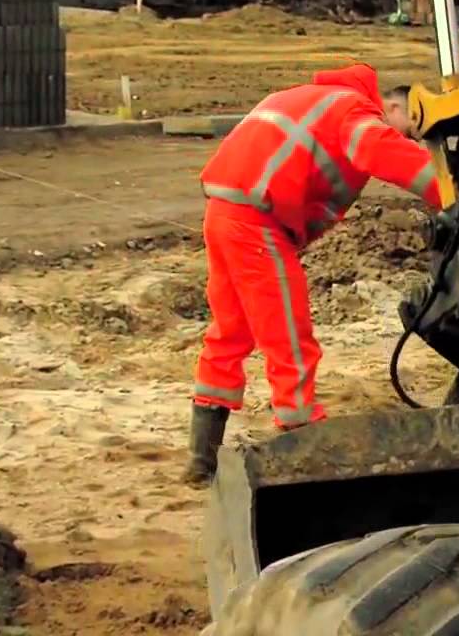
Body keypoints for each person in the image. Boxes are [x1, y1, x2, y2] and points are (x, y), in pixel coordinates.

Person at [185, 63, 443, 486]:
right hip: (256, 221)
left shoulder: (311, 101)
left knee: (231, 332)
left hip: (223, 211)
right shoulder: (355, 111)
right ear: (392, 104)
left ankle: (201, 459)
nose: (408, 136)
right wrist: (454, 190)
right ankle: (301, 438)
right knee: (288, 336)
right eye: (409, 126)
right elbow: (387, 153)